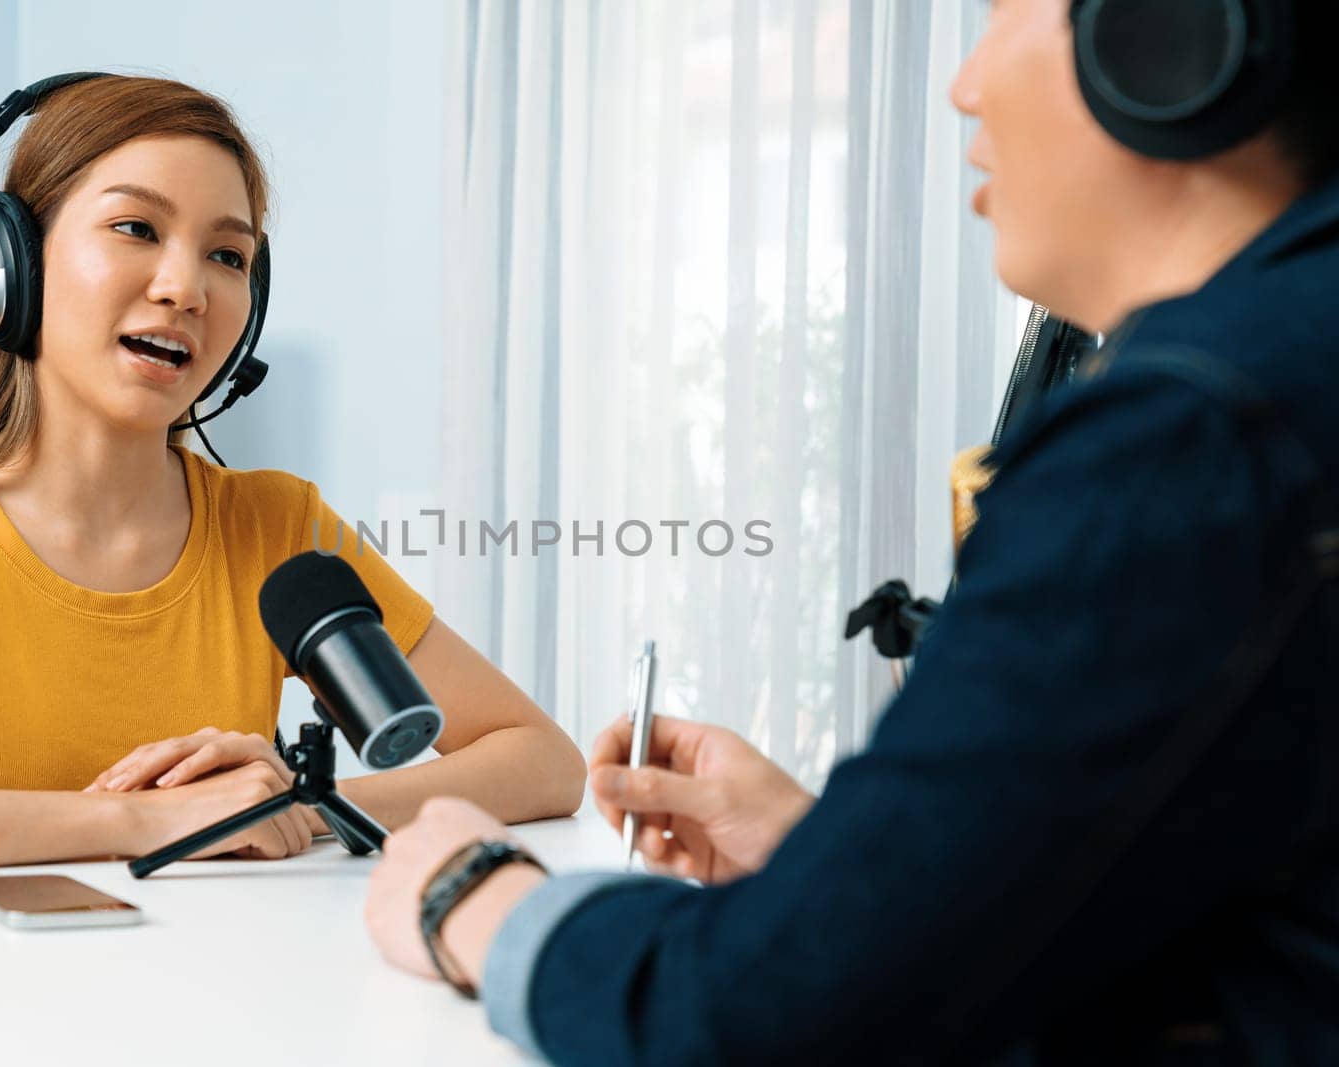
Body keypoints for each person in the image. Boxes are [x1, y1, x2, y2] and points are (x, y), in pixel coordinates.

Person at [363, 1, 1339, 1062]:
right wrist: (843, 867)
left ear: (1161, 36)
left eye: (1008, 9)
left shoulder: (1194, 431)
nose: (965, 85)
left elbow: (765, 1020)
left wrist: (473, 898)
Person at [0, 74, 585, 874]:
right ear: (11, 261)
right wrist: (130, 820)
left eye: (228, 255)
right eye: (136, 229)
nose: (188, 288)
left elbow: (543, 759)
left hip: (211, 1001)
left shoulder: (277, 526)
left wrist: (301, 803)